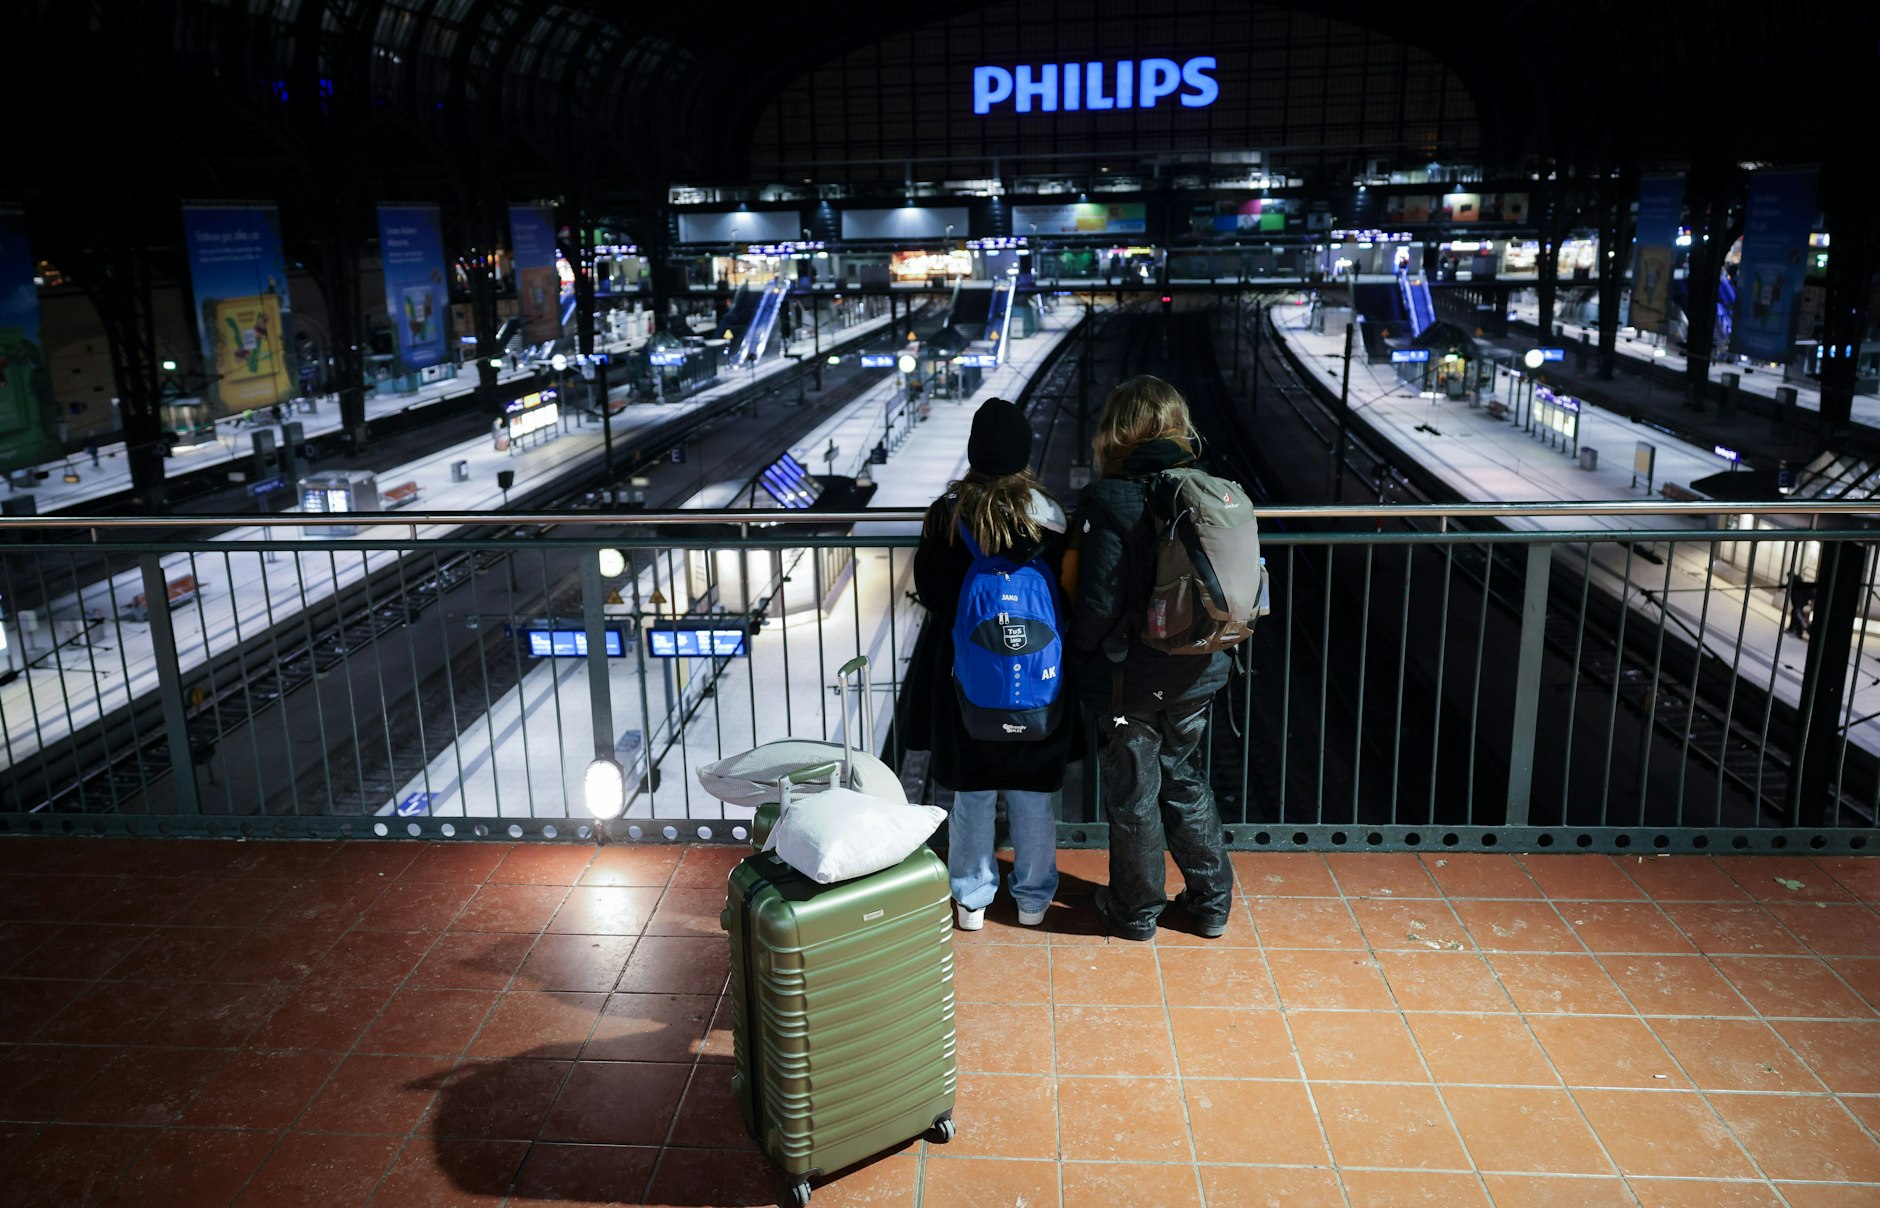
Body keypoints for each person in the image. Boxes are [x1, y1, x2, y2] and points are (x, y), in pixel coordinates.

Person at [1066, 375, 1234, 940]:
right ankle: (1211, 903)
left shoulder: (1110, 499)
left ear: (1117, 431)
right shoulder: (1204, 490)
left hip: (1130, 680)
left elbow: (1096, 603)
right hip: (1199, 667)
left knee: (1135, 790)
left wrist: (1079, 654)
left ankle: (1135, 911)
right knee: (1183, 777)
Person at [908, 397, 1070, 930]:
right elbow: (1067, 597)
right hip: (1035, 679)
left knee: (971, 794)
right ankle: (1032, 899)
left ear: (974, 451)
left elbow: (930, 590)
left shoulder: (947, 515)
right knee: (1032, 794)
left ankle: (971, 898)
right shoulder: (1048, 517)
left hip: (964, 679)